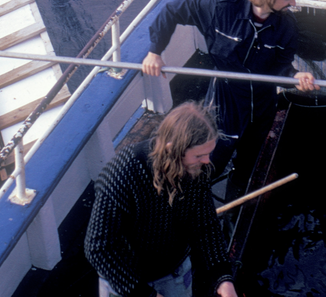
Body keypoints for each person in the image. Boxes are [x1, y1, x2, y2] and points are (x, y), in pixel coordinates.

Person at [142, 0, 318, 175]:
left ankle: (241, 186)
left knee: (250, 155)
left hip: (263, 102)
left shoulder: (287, 27)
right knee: (215, 153)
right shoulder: (219, 8)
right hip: (225, 98)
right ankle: (201, 189)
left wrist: (296, 76)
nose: (293, 4)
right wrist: (154, 52)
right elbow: (171, 11)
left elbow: (280, 67)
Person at [85, 103, 238, 297]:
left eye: (209, 153)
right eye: (199, 155)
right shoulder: (122, 172)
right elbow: (98, 247)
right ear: (172, 149)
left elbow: (205, 225)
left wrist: (223, 278)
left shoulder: (197, 169)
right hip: (124, 279)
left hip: (173, 272)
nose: (207, 161)